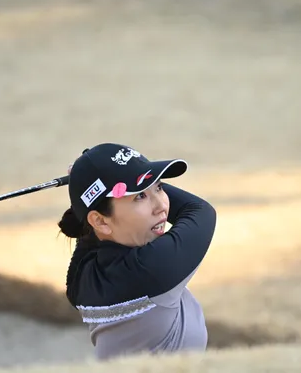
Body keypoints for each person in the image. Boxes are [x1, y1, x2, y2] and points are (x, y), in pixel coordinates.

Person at [57, 142, 217, 361]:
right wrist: (89, 183)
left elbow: (91, 227)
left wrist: (87, 183)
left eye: (159, 187)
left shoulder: (83, 277)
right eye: (140, 196)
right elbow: (199, 211)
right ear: (100, 221)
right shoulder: (153, 266)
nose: (161, 206)